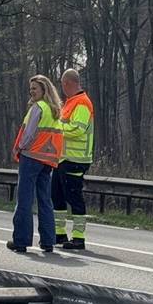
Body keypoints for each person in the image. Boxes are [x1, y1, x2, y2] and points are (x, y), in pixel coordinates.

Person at [8, 74, 64, 253]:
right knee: (45, 200)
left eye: (34, 88)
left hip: (31, 156)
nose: (31, 91)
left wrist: (20, 148)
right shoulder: (54, 111)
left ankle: (21, 241)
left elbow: (30, 134)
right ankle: (48, 241)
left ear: (43, 90)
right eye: (31, 88)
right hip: (48, 160)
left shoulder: (38, 108)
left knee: (24, 199)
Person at [52, 69, 95, 250]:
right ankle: (59, 234)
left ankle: (79, 238)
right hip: (63, 159)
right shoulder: (70, 103)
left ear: (67, 83)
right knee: (57, 196)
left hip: (76, 159)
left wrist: (57, 128)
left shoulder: (82, 103)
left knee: (74, 197)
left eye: (62, 84)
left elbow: (78, 129)